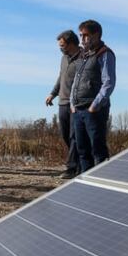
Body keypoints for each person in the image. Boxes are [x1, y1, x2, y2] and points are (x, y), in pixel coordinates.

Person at [69, 19, 116, 173]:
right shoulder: (83, 56)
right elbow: (76, 80)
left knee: (98, 150)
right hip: (78, 109)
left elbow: (108, 83)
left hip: (94, 111)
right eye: (81, 35)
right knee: (82, 150)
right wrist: (71, 103)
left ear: (96, 35)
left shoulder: (105, 54)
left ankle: (101, 183)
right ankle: (85, 184)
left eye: (85, 35)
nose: (82, 39)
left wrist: (94, 106)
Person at [45, 29, 83, 179]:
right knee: (66, 135)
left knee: (74, 135)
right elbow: (61, 77)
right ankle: (78, 162)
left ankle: (71, 168)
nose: (60, 48)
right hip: (62, 101)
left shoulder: (83, 58)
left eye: (63, 45)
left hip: (76, 103)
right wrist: (52, 94)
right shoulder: (63, 59)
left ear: (72, 43)